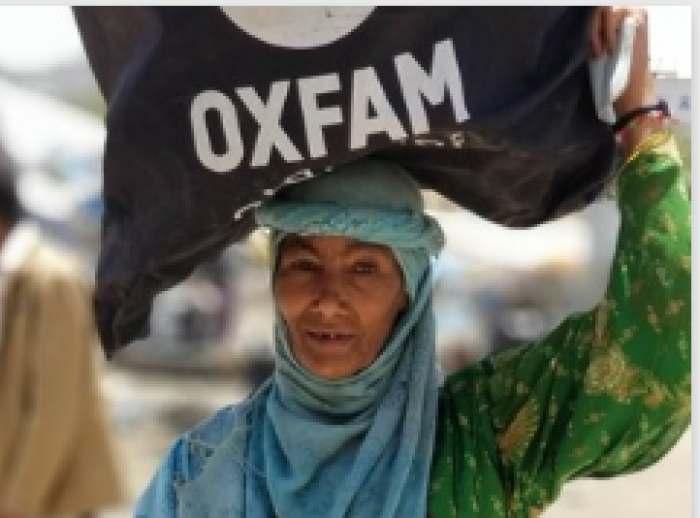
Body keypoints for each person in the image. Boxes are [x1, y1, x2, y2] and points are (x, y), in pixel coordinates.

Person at [136, 7, 690, 517]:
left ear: (411, 289)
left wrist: (641, 124)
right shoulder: (199, 470)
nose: (329, 298)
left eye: (364, 269)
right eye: (304, 265)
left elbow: (653, 358)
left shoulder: (485, 436)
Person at [0, 162, 124, 517]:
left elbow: (55, 406)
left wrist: (18, 502)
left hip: (49, 500)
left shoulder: (51, 281)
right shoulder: (13, 277)